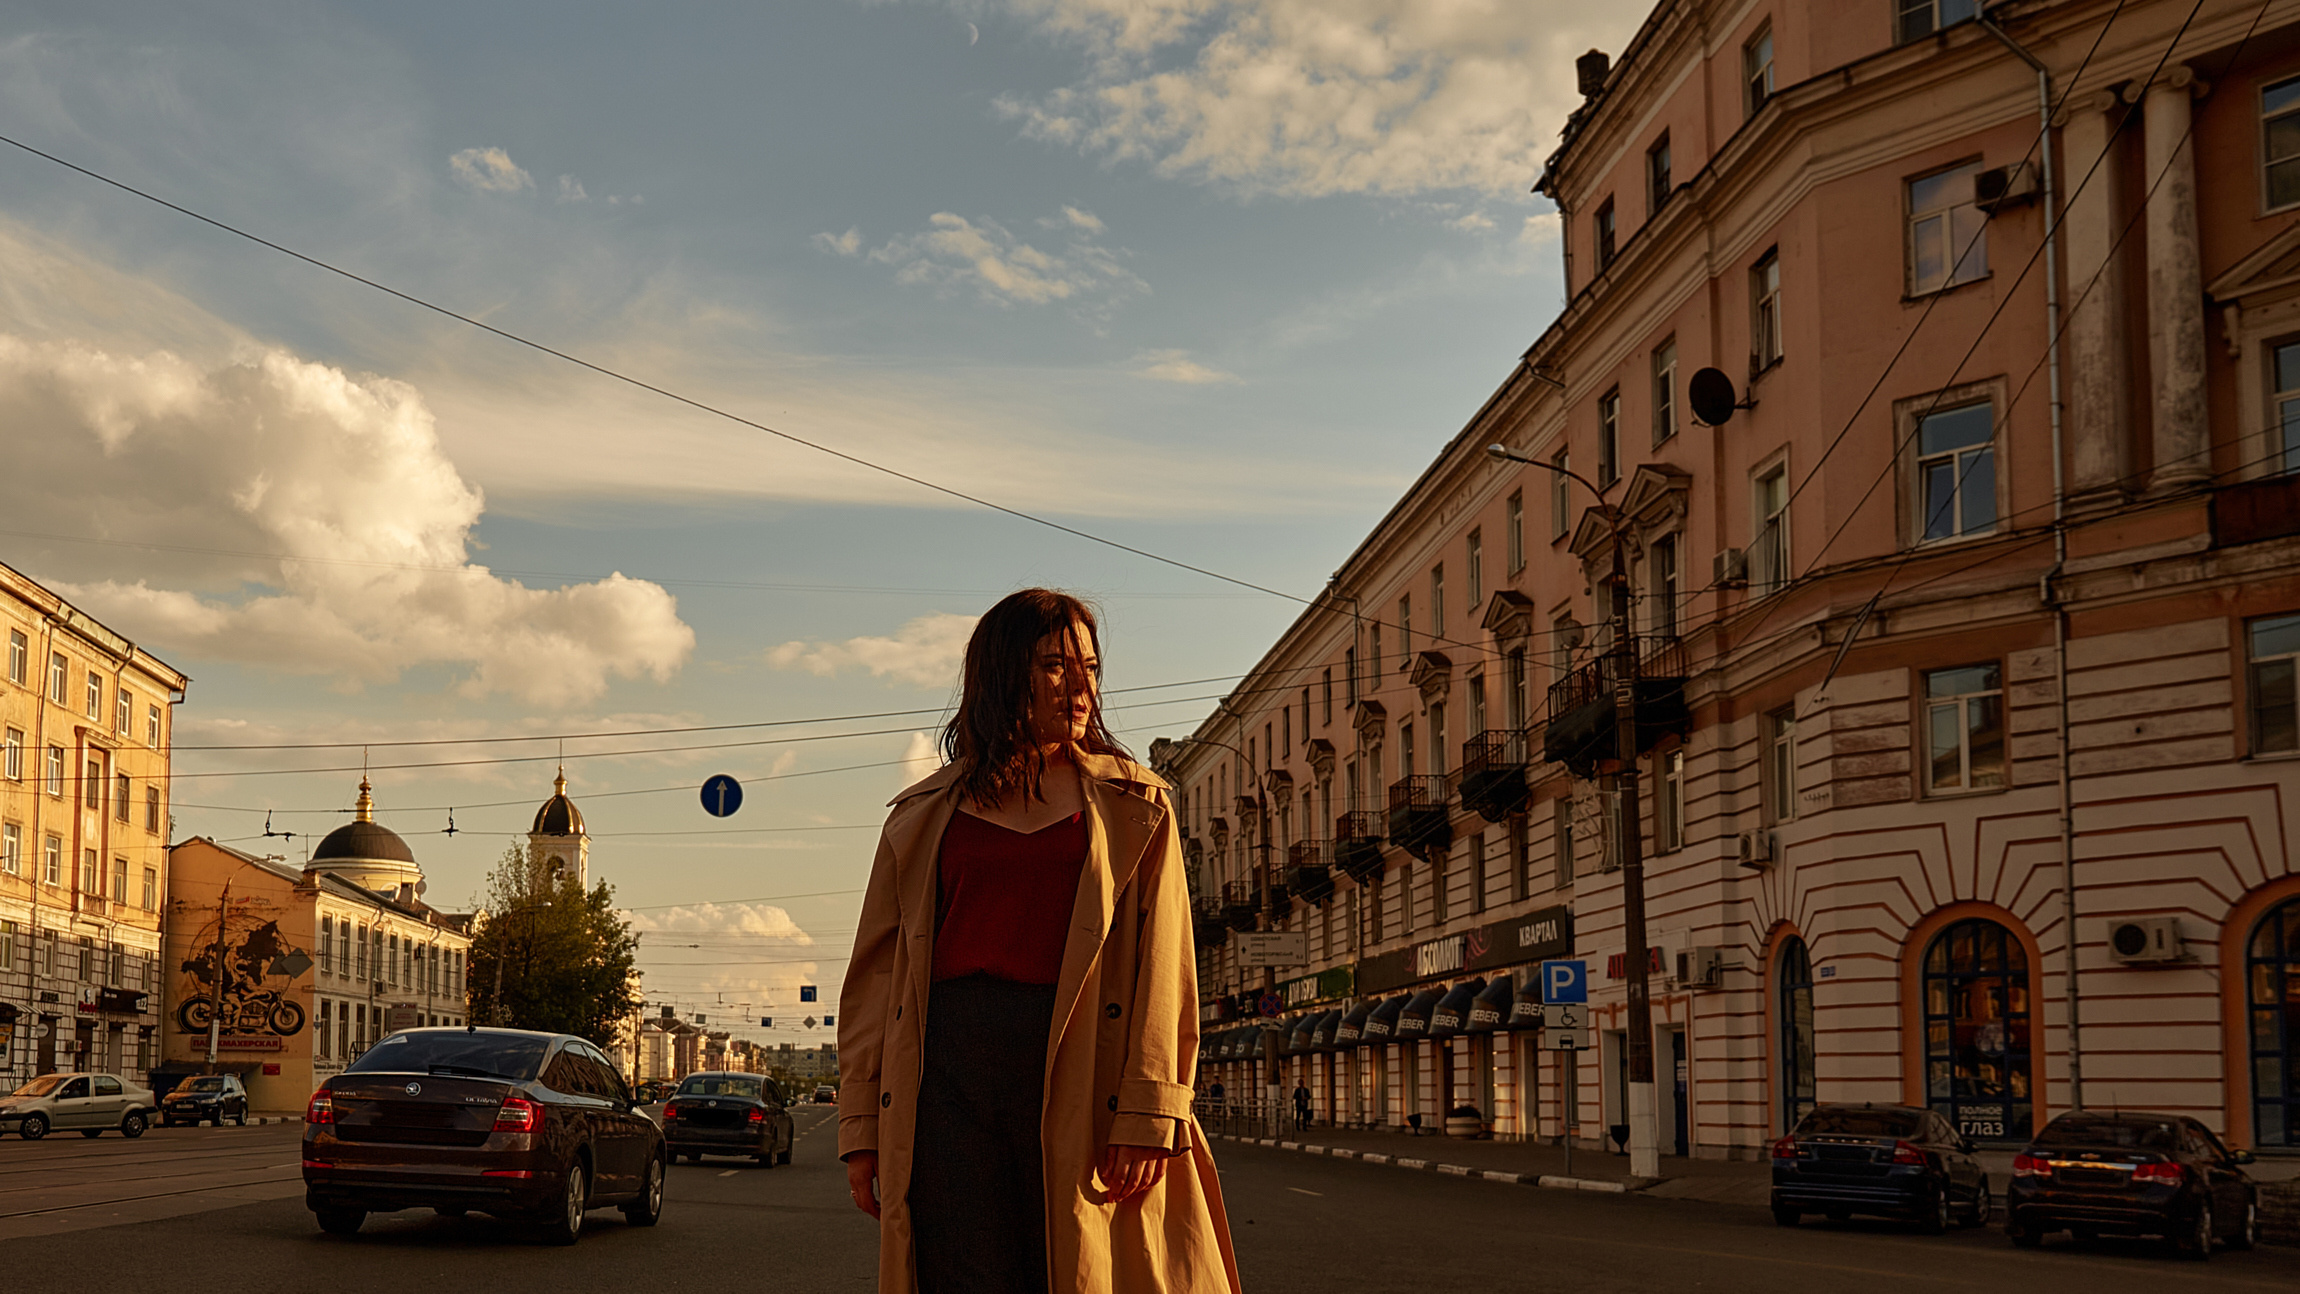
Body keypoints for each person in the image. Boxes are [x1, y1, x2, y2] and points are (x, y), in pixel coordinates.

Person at [837, 589, 1243, 1294]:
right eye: (1056, 666)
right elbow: (876, 981)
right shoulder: (922, 816)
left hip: (1080, 1062)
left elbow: (1164, 969)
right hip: (946, 1074)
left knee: (1071, 1268)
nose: (1081, 687)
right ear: (1003, 677)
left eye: (1089, 666)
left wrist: (1150, 1112)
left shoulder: (1134, 807)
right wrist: (861, 1129)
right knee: (958, 1270)